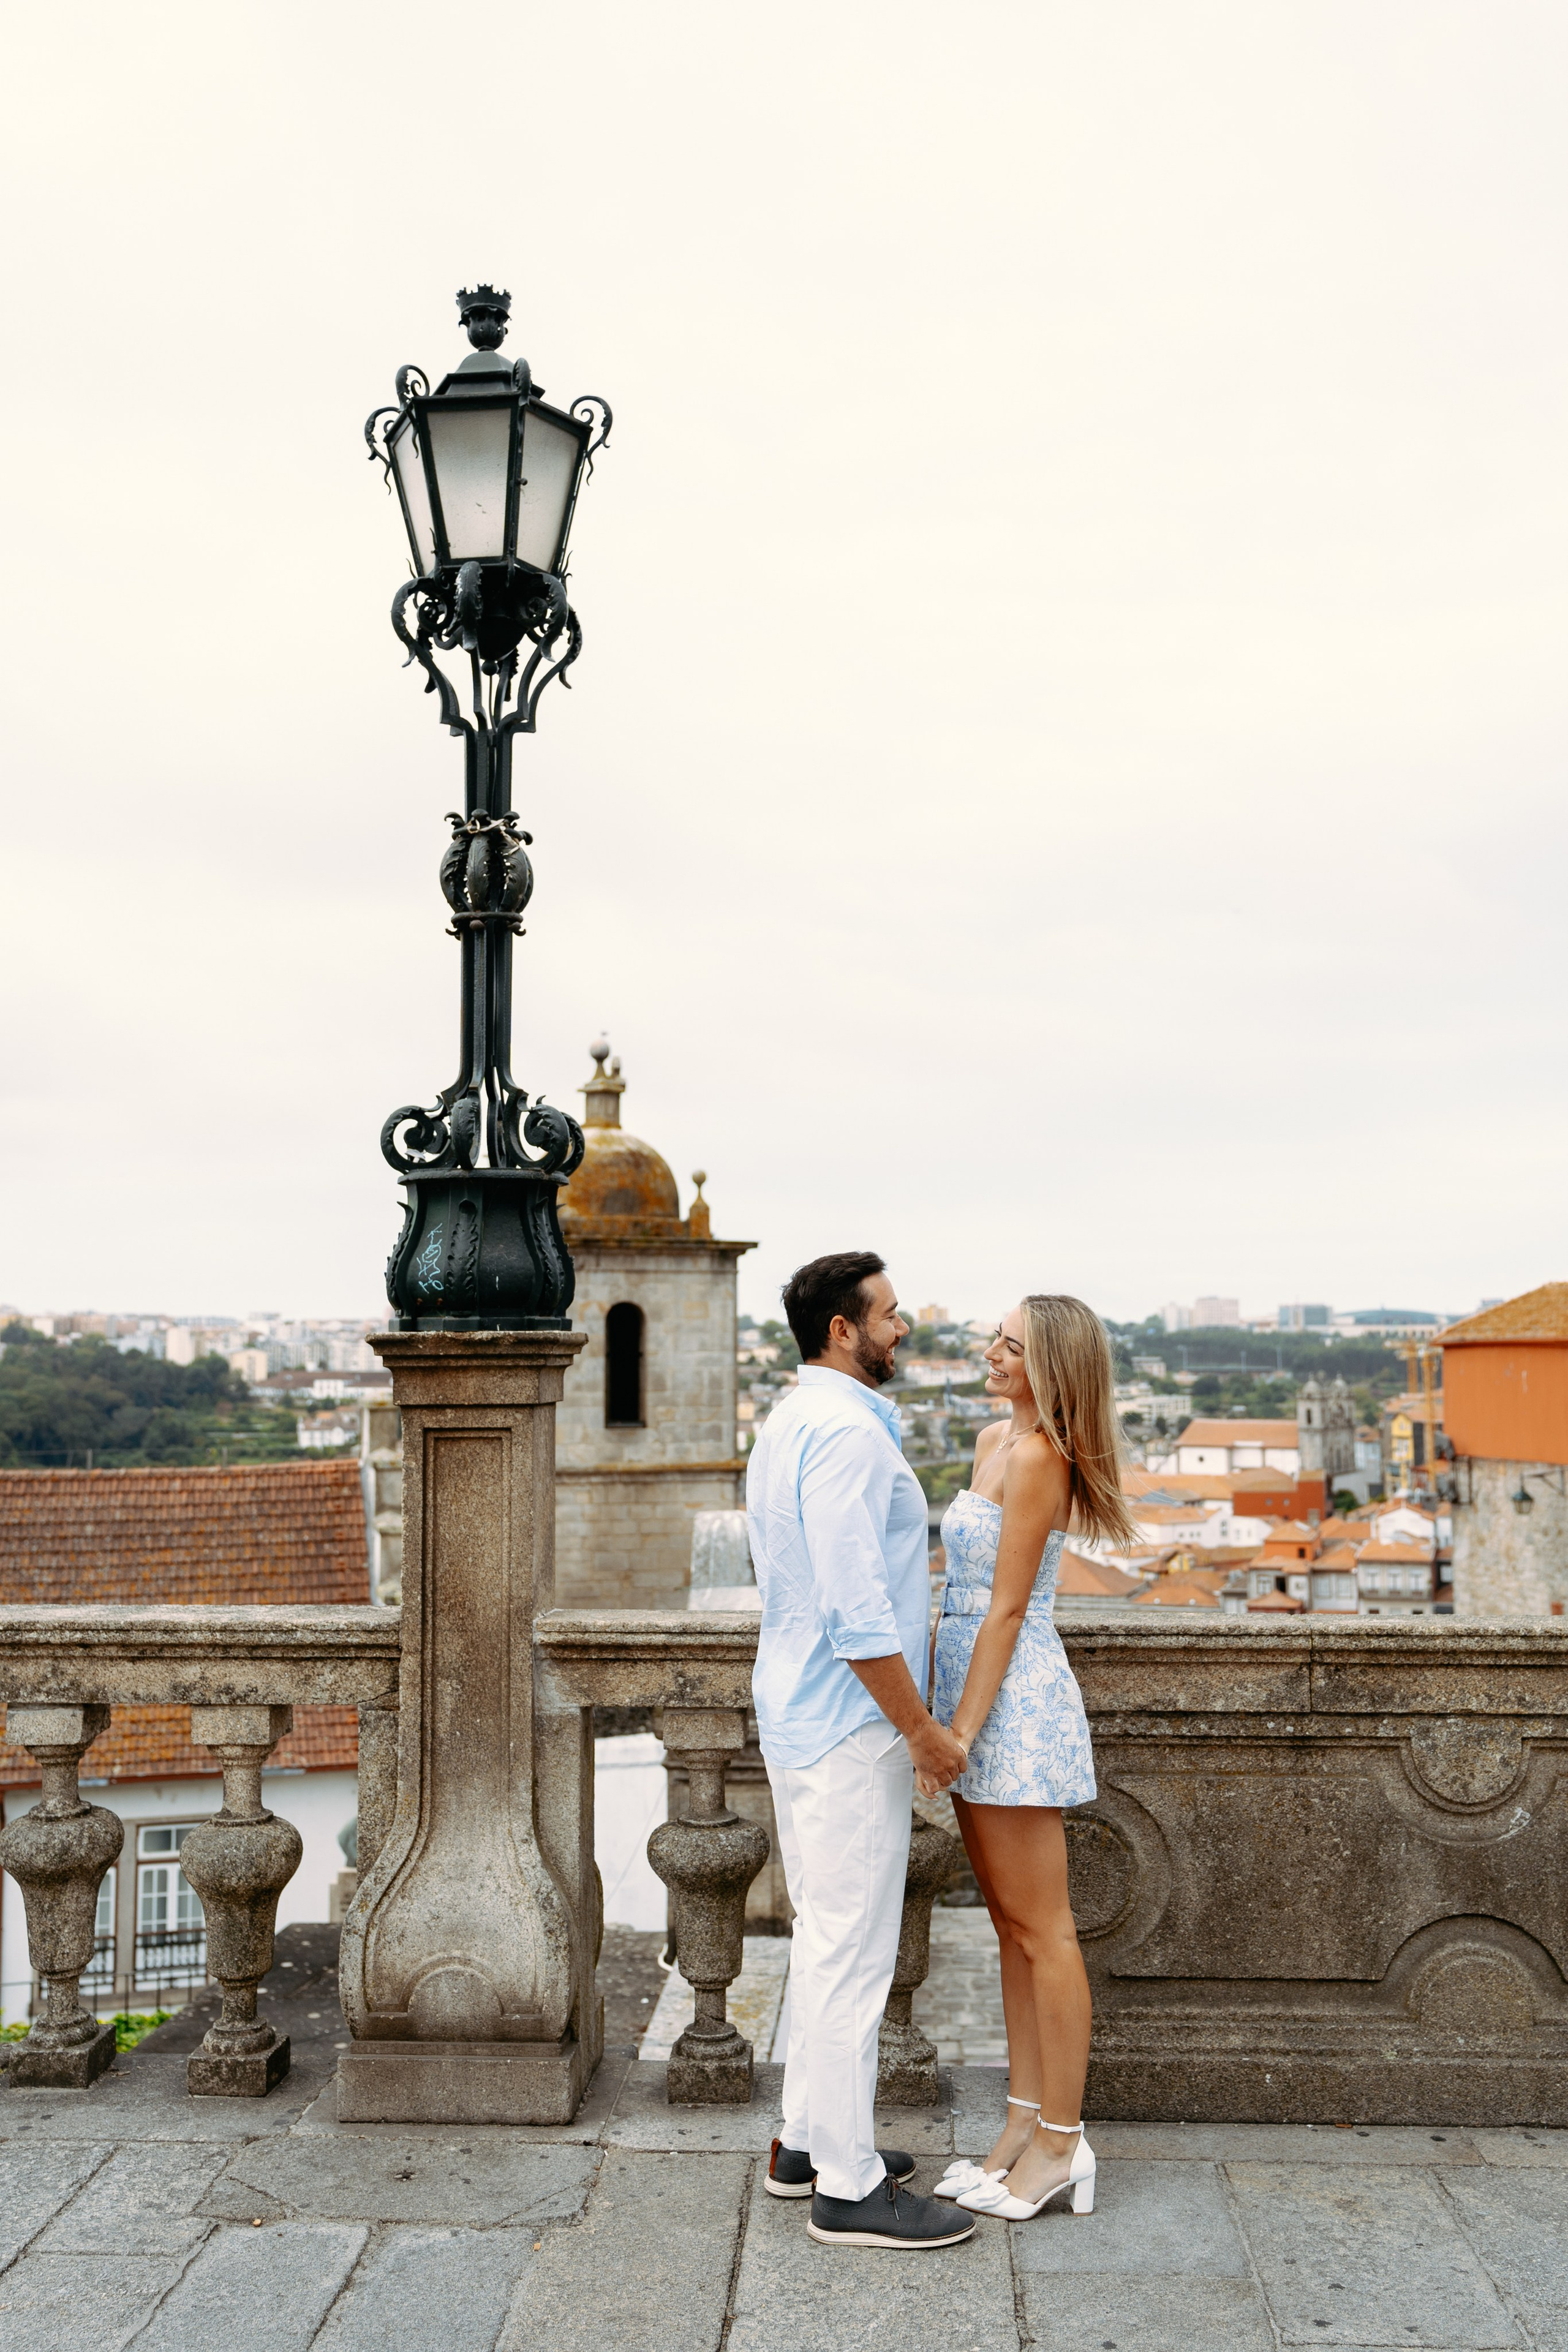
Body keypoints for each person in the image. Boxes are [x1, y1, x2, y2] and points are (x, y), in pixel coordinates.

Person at [747, 1250, 974, 2250]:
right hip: (849, 1724)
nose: (903, 1326)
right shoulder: (844, 1434)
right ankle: (848, 2185)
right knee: (852, 1953)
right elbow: (856, 1608)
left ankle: (805, 2143)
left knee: (827, 1937)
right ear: (843, 1330)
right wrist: (922, 1730)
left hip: (805, 1712)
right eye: (888, 1313)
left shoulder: (792, 1419)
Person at [927, 1295, 1137, 2223]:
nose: (992, 1353)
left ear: (1051, 1367)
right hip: (973, 1687)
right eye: (997, 1338)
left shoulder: (1042, 1456)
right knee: (1010, 1927)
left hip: (1011, 1702)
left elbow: (1009, 1608)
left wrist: (959, 1734)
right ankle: (1020, 2124)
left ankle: (1062, 2142)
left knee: (1046, 1931)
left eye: (1012, 1346)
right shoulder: (992, 1441)